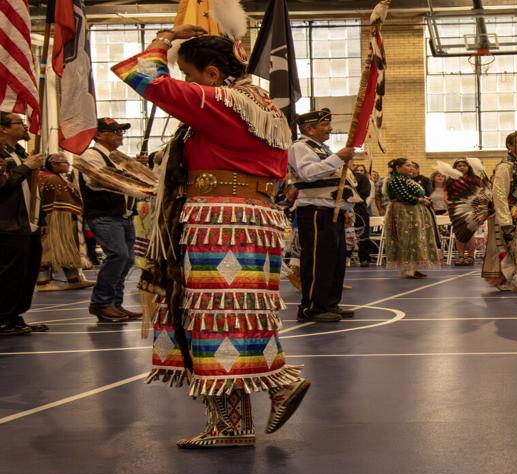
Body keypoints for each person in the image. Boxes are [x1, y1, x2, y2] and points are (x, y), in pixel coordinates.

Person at [112, 26, 310, 447]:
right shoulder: (260, 105)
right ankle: (234, 423)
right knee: (229, 314)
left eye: (188, 74)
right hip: (250, 217)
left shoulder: (217, 101)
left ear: (213, 73)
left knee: (212, 317)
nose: (182, 83)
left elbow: (140, 74)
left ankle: (269, 394)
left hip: (219, 218)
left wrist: (164, 40)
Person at [287, 108, 357, 321]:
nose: (330, 129)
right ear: (309, 128)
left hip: (332, 210)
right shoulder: (300, 147)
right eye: (324, 125)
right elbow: (307, 173)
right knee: (318, 260)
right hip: (315, 211)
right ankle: (312, 307)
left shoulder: (322, 149)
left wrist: (346, 209)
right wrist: (338, 158)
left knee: (335, 261)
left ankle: (329, 303)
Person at [77, 116, 148, 321]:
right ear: (99, 135)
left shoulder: (116, 156)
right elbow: (98, 180)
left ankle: (115, 303)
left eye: (120, 132)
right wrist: (131, 171)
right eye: (115, 132)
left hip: (122, 215)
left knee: (127, 259)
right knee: (118, 256)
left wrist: (134, 166)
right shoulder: (92, 155)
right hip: (105, 215)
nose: (119, 135)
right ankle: (101, 303)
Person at [0, 113, 49, 336]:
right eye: (18, 123)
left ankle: (16, 314)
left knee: (27, 273)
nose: (24, 126)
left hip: (29, 222)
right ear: (3, 129)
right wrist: (26, 167)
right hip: (8, 223)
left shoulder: (20, 153)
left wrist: (42, 219)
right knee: (9, 274)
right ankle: (2, 317)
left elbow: (33, 191)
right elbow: (5, 185)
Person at [482, 132, 517, 294]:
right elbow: (499, 193)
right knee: (514, 248)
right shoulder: (505, 166)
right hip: (510, 212)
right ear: (510, 146)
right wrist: (505, 219)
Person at [36, 153, 93, 291]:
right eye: (64, 162)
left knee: (67, 250)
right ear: (54, 164)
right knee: (48, 250)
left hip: (66, 219)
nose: (68, 165)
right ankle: (42, 283)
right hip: (54, 220)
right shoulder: (49, 178)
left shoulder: (59, 177)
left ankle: (73, 280)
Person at [383, 158, 436, 278]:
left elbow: (418, 193)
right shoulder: (395, 179)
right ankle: (406, 269)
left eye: (412, 166)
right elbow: (403, 196)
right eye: (407, 165)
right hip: (402, 212)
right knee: (406, 238)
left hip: (412, 211)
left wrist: (425, 198)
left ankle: (412, 268)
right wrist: (421, 200)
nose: (411, 168)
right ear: (398, 168)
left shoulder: (406, 179)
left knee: (415, 238)